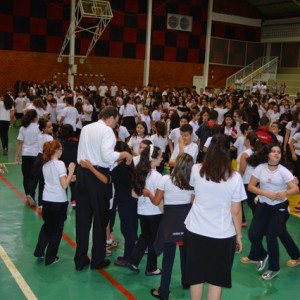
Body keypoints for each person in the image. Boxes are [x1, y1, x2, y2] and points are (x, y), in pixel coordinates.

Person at [184, 134, 246, 300]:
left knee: (195, 277)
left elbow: (193, 197)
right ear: (228, 153)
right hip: (222, 234)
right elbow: (236, 211)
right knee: (216, 281)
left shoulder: (196, 169)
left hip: (195, 230)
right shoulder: (235, 178)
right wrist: (239, 235)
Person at [74, 106, 132, 271]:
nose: (116, 125)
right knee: (100, 220)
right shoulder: (107, 131)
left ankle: (80, 259)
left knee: (82, 221)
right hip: (97, 177)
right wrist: (124, 155)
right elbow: (107, 156)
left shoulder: (86, 128)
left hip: (82, 174)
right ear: (112, 118)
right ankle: (97, 260)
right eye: (116, 122)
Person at [246, 144, 300, 280]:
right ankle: (263, 255)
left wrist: (285, 192)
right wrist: (264, 193)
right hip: (264, 206)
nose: (277, 154)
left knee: (272, 236)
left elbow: (296, 189)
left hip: (279, 208)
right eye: (273, 151)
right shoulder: (260, 168)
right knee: (253, 234)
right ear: (267, 154)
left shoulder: (283, 171)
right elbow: (251, 186)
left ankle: (273, 268)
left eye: (279, 152)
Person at [145, 153, 194, 300]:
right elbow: (193, 203)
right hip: (187, 221)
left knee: (168, 259)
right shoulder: (193, 182)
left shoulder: (166, 179)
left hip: (169, 221)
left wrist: (147, 193)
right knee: (186, 254)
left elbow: (156, 201)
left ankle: (164, 292)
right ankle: (186, 282)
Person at [33, 140, 75, 265]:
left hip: (47, 200)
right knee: (57, 230)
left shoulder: (46, 165)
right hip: (58, 201)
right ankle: (50, 258)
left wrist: (70, 177)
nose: (62, 151)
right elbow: (64, 185)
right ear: (56, 150)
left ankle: (39, 251)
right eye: (61, 148)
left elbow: (56, 180)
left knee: (47, 227)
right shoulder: (60, 164)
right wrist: (71, 170)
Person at [127, 145, 163, 275]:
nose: (161, 158)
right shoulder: (157, 176)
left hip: (142, 211)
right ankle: (151, 267)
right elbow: (159, 200)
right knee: (154, 240)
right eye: (160, 156)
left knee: (144, 236)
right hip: (154, 213)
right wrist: (164, 212)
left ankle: (133, 261)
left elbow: (133, 194)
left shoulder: (139, 172)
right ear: (153, 158)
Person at [15, 109, 40, 206]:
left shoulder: (23, 128)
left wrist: (16, 155)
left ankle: (27, 194)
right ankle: (31, 194)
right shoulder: (38, 127)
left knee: (26, 175)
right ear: (34, 118)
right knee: (34, 176)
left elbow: (20, 143)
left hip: (25, 154)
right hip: (36, 154)